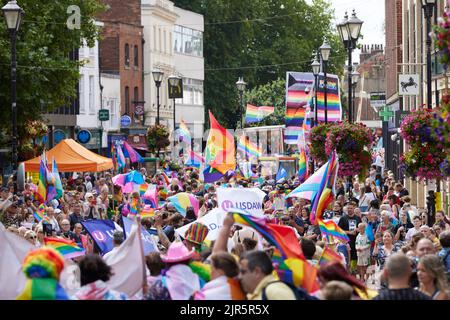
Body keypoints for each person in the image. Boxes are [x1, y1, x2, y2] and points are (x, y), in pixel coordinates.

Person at [338, 201, 362, 273]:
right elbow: (339, 230)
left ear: (354, 209)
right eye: (348, 208)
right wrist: (349, 232)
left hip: (356, 239)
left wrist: (358, 229)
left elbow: (361, 229)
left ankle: (354, 270)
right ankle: (348, 270)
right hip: (346, 240)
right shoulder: (343, 218)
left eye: (351, 208)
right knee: (348, 256)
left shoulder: (358, 218)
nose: (349, 210)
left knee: (355, 255)